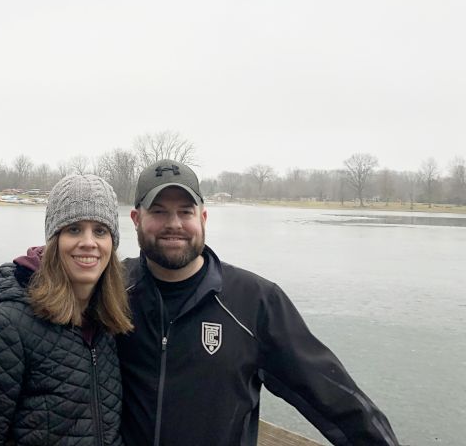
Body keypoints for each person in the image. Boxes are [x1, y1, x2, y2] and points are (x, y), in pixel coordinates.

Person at [118, 159, 400, 446]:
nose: (174, 224)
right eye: (159, 212)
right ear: (136, 219)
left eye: (185, 212)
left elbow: (335, 399)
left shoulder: (255, 302)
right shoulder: (112, 291)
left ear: (202, 218)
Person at [0, 174, 133, 446]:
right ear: (53, 239)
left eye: (100, 231)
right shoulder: (8, 327)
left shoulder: (109, 322)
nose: (89, 242)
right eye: (74, 229)